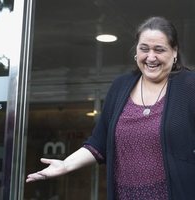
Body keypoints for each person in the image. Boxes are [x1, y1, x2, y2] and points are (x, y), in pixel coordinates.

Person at [26, 16, 195, 200]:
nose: (151, 57)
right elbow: (98, 143)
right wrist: (66, 165)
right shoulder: (120, 86)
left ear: (175, 51)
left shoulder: (189, 85)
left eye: (159, 50)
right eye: (144, 49)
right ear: (136, 52)